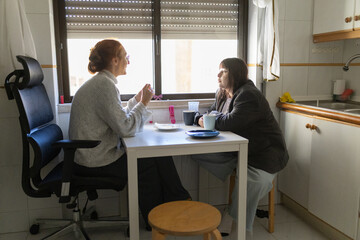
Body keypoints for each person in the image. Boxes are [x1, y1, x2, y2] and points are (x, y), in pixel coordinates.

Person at [69, 39, 190, 229]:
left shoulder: (102, 82)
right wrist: (143, 104)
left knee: (158, 154)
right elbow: (125, 127)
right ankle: (163, 216)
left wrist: (137, 99)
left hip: (90, 156)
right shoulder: (104, 85)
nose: (128, 61)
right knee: (148, 161)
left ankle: (176, 204)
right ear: (115, 60)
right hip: (94, 162)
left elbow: (119, 116)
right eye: (126, 57)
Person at [191, 57, 288, 234]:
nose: (218, 75)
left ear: (236, 74)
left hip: (263, 155)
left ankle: (239, 225)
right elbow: (212, 115)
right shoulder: (221, 93)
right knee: (194, 151)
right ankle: (232, 209)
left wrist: (203, 119)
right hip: (238, 151)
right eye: (219, 70)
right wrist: (204, 118)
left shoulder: (249, 95)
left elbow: (228, 122)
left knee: (250, 184)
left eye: (224, 71)